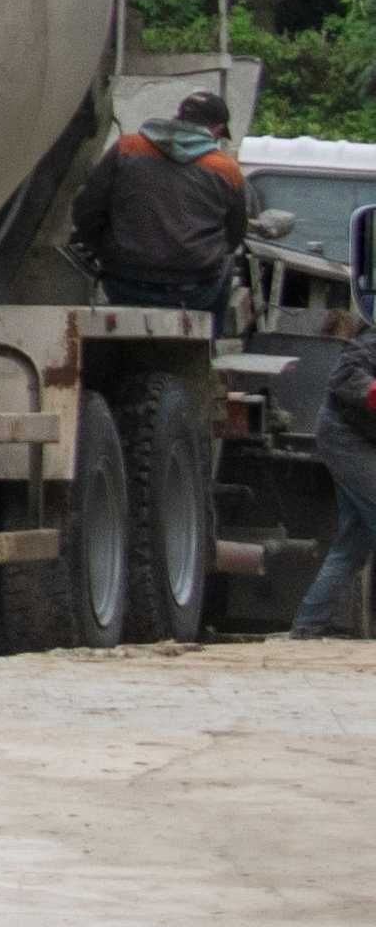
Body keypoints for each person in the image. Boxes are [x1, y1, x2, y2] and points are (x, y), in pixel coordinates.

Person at [69, 87, 252, 319]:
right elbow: (234, 234)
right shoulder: (226, 169)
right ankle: (208, 344)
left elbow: (87, 208)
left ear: (177, 118)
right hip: (193, 291)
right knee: (226, 263)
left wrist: (101, 248)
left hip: (124, 283)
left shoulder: (127, 147)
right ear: (216, 129)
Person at [289, 323, 376, 639]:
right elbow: (346, 376)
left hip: (364, 436)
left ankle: (308, 625)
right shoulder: (372, 338)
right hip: (345, 435)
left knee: (354, 543)